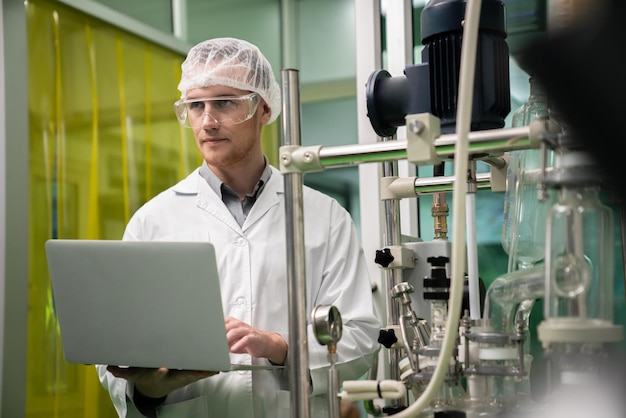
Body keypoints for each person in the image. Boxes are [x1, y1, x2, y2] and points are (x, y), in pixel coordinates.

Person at [96, 37, 381, 418]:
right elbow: (117, 346)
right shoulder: (153, 220)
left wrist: (281, 347)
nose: (208, 122)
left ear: (264, 108)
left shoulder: (324, 217)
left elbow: (361, 336)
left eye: (225, 102)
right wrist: (148, 390)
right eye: (196, 106)